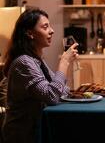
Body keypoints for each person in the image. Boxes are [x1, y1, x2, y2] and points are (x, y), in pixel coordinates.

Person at [1, 8, 78, 143]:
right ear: (30, 33)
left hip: (38, 129)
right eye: (45, 27)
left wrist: (60, 86)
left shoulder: (36, 60)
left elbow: (62, 91)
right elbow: (52, 95)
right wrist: (64, 62)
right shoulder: (24, 62)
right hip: (23, 135)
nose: (52, 30)